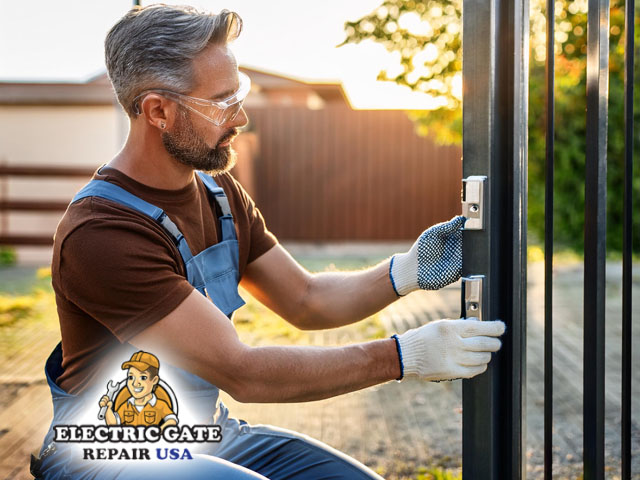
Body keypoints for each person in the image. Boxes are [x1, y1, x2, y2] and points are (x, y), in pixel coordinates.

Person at [33, 4, 505, 480]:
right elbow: (244, 372)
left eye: (239, 94)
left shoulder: (218, 195)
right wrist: (404, 356)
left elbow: (306, 300)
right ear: (159, 110)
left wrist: (407, 271)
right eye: (221, 102)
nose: (240, 117)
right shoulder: (101, 233)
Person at [99, 351, 178, 429]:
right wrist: (108, 409)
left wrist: (157, 432)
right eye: (131, 377)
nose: (135, 384)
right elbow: (114, 424)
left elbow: (172, 421)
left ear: (154, 380)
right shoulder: (126, 406)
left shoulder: (160, 405)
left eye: (143, 377)